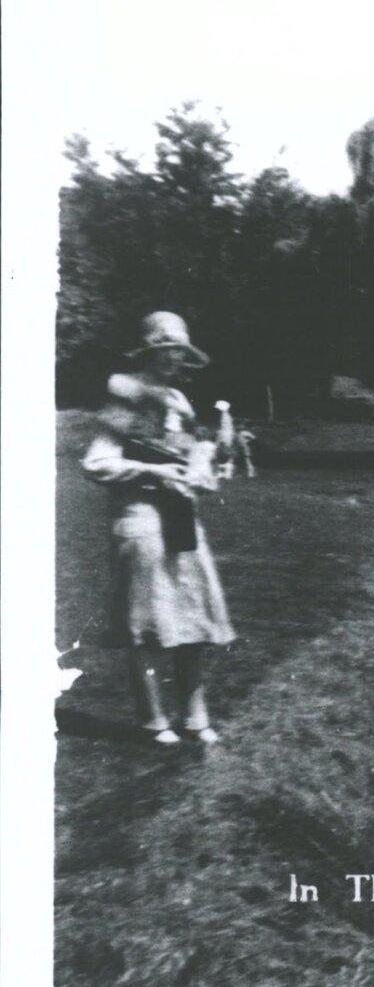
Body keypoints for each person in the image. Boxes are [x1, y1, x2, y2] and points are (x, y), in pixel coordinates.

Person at [80, 311, 236, 746]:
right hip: (140, 517)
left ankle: (194, 716)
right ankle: (153, 720)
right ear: (149, 350)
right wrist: (153, 470)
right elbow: (96, 462)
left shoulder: (179, 402)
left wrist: (205, 466)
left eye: (181, 351)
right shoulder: (127, 392)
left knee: (191, 613)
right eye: (166, 349)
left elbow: (190, 464)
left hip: (181, 516)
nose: (174, 358)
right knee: (146, 623)